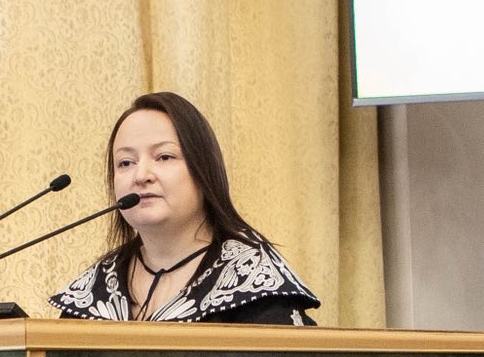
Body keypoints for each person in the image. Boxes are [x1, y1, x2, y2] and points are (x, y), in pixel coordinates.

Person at [49, 91, 320, 325]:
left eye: (164, 157)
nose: (141, 175)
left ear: (204, 170)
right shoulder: (96, 287)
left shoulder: (253, 281)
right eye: (125, 163)